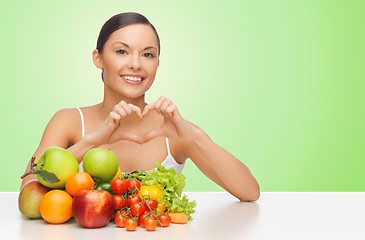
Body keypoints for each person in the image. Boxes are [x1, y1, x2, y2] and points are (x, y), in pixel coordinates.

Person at [20, 12, 260, 201]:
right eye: (122, 51)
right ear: (98, 58)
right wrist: (91, 142)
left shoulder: (174, 131)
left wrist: (196, 136)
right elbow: (29, 191)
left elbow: (250, 192)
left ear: (157, 63)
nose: (135, 64)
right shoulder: (69, 121)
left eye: (147, 55)